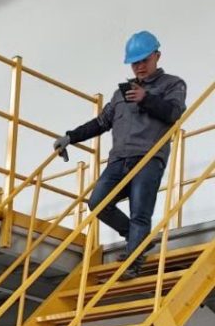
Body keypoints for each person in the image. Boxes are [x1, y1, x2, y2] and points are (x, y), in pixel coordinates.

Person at [54, 31, 186, 277]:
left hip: (148, 158)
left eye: (144, 60)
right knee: (97, 202)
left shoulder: (173, 84)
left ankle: (133, 262)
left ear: (157, 56)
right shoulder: (120, 95)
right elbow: (101, 122)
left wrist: (146, 99)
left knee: (140, 212)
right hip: (119, 160)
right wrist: (70, 137)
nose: (139, 67)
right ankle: (138, 241)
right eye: (135, 62)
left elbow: (173, 113)